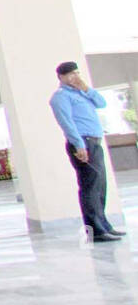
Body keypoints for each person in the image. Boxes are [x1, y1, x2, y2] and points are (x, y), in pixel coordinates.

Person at [49, 60, 125, 242]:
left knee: (100, 186)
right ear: (61, 77)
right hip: (82, 143)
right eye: (71, 74)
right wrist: (79, 145)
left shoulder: (81, 93)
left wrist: (86, 88)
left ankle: (105, 226)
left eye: (77, 73)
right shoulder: (60, 97)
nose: (75, 77)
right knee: (90, 187)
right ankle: (96, 231)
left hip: (94, 142)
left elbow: (101, 103)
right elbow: (66, 123)